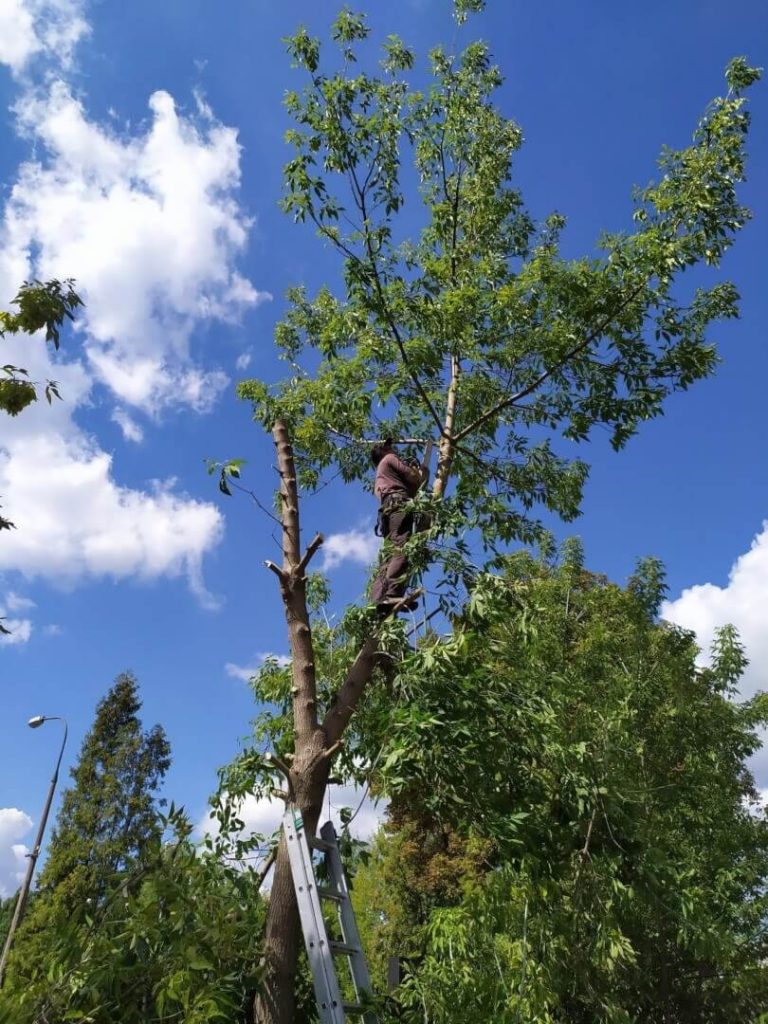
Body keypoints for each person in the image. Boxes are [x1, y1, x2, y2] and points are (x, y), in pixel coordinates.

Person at [370, 440, 427, 610]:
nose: (393, 448)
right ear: (383, 450)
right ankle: (392, 595)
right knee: (402, 548)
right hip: (398, 506)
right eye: (389, 446)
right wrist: (418, 473)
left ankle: (378, 600)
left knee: (388, 557)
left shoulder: (380, 477)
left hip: (387, 512)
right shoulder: (389, 458)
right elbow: (413, 478)